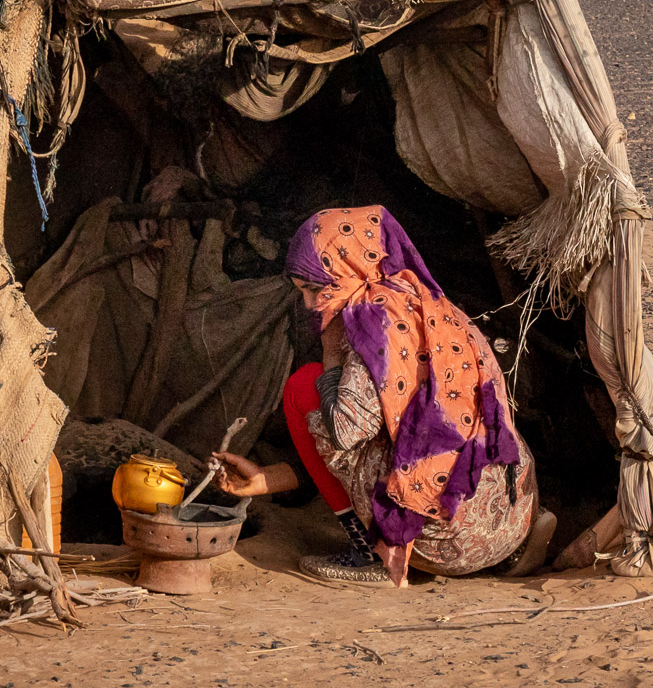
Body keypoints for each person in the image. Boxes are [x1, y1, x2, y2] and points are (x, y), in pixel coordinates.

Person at [214, 206, 555, 585]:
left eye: (315, 288)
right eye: (302, 292)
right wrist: (264, 478)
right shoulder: (426, 301)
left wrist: (330, 353)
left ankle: (371, 553)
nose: (310, 305)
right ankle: (513, 554)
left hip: (448, 539)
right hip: (510, 515)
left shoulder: (374, 326)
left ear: (350, 267)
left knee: (306, 388)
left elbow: (343, 434)